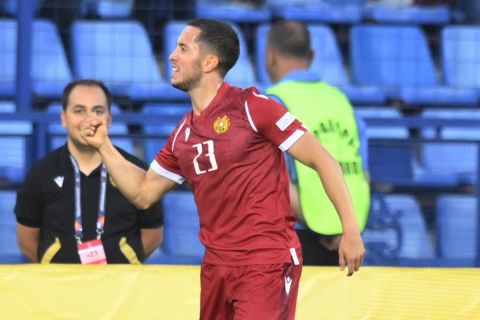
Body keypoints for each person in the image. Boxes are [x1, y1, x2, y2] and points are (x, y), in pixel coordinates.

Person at [80, 19, 365, 319]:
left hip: (265, 261)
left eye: (183, 48)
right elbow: (143, 193)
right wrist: (104, 146)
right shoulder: (183, 134)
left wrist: (351, 230)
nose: (171, 56)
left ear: (209, 62)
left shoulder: (253, 107)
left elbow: (324, 161)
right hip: (216, 267)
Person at [14, 79, 164, 264]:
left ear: (109, 119)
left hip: (120, 289)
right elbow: (27, 240)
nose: (89, 119)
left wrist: (127, 259)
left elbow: (153, 234)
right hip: (59, 289)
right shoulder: (40, 175)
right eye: (79, 110)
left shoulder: (137, 172)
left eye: (98, 111)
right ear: (64, 118)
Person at [265, 20, 371, 266]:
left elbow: (272, 178)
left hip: (299, 236)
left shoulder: (273, 102)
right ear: (311, 56)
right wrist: (346, 230)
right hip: (350, 240)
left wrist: (322, 230)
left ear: (270, 56)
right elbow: (363, 174)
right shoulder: (341, 101)